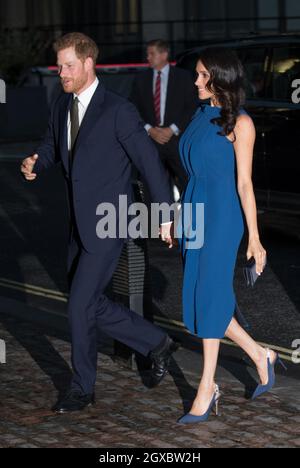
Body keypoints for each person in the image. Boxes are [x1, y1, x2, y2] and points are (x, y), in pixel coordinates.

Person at [21, 32, 178, 414]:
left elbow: (149, 164)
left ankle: (81, 388)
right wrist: (35, 163)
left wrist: (164, 215)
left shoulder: (118, 110)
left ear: (90, 63)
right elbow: (51, 147)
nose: (62, 73)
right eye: (59, 66)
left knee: (79, 306)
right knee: (88, 305)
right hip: (77, 222)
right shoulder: (61, 105)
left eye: (69, 66)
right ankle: (155, 342)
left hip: (111, 222)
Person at [175, 47, 285, 425]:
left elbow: (244, 184)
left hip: (222, 216)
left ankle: (206, 387)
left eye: (203, 75)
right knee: (206, 297)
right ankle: (260, 356)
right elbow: (188, 171)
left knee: (209, 297)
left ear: (220, 77)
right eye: (197, 74)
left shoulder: (241, 123)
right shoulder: (197, 115)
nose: (196, 80)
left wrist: (255, 238)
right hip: (193, 209)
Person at [130, 39, 198, 196]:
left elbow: (191, 106)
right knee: (151, 185)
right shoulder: (141, 79)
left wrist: (172, 129)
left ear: (164, 54)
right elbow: (132, 108)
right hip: (151, 141)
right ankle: (157, 219)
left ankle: (191, 218)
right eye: (147, 54)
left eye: (151, 53)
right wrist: (149, 130)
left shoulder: (183, 77)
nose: (148, 57)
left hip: (177, 140)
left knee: (188, 181)